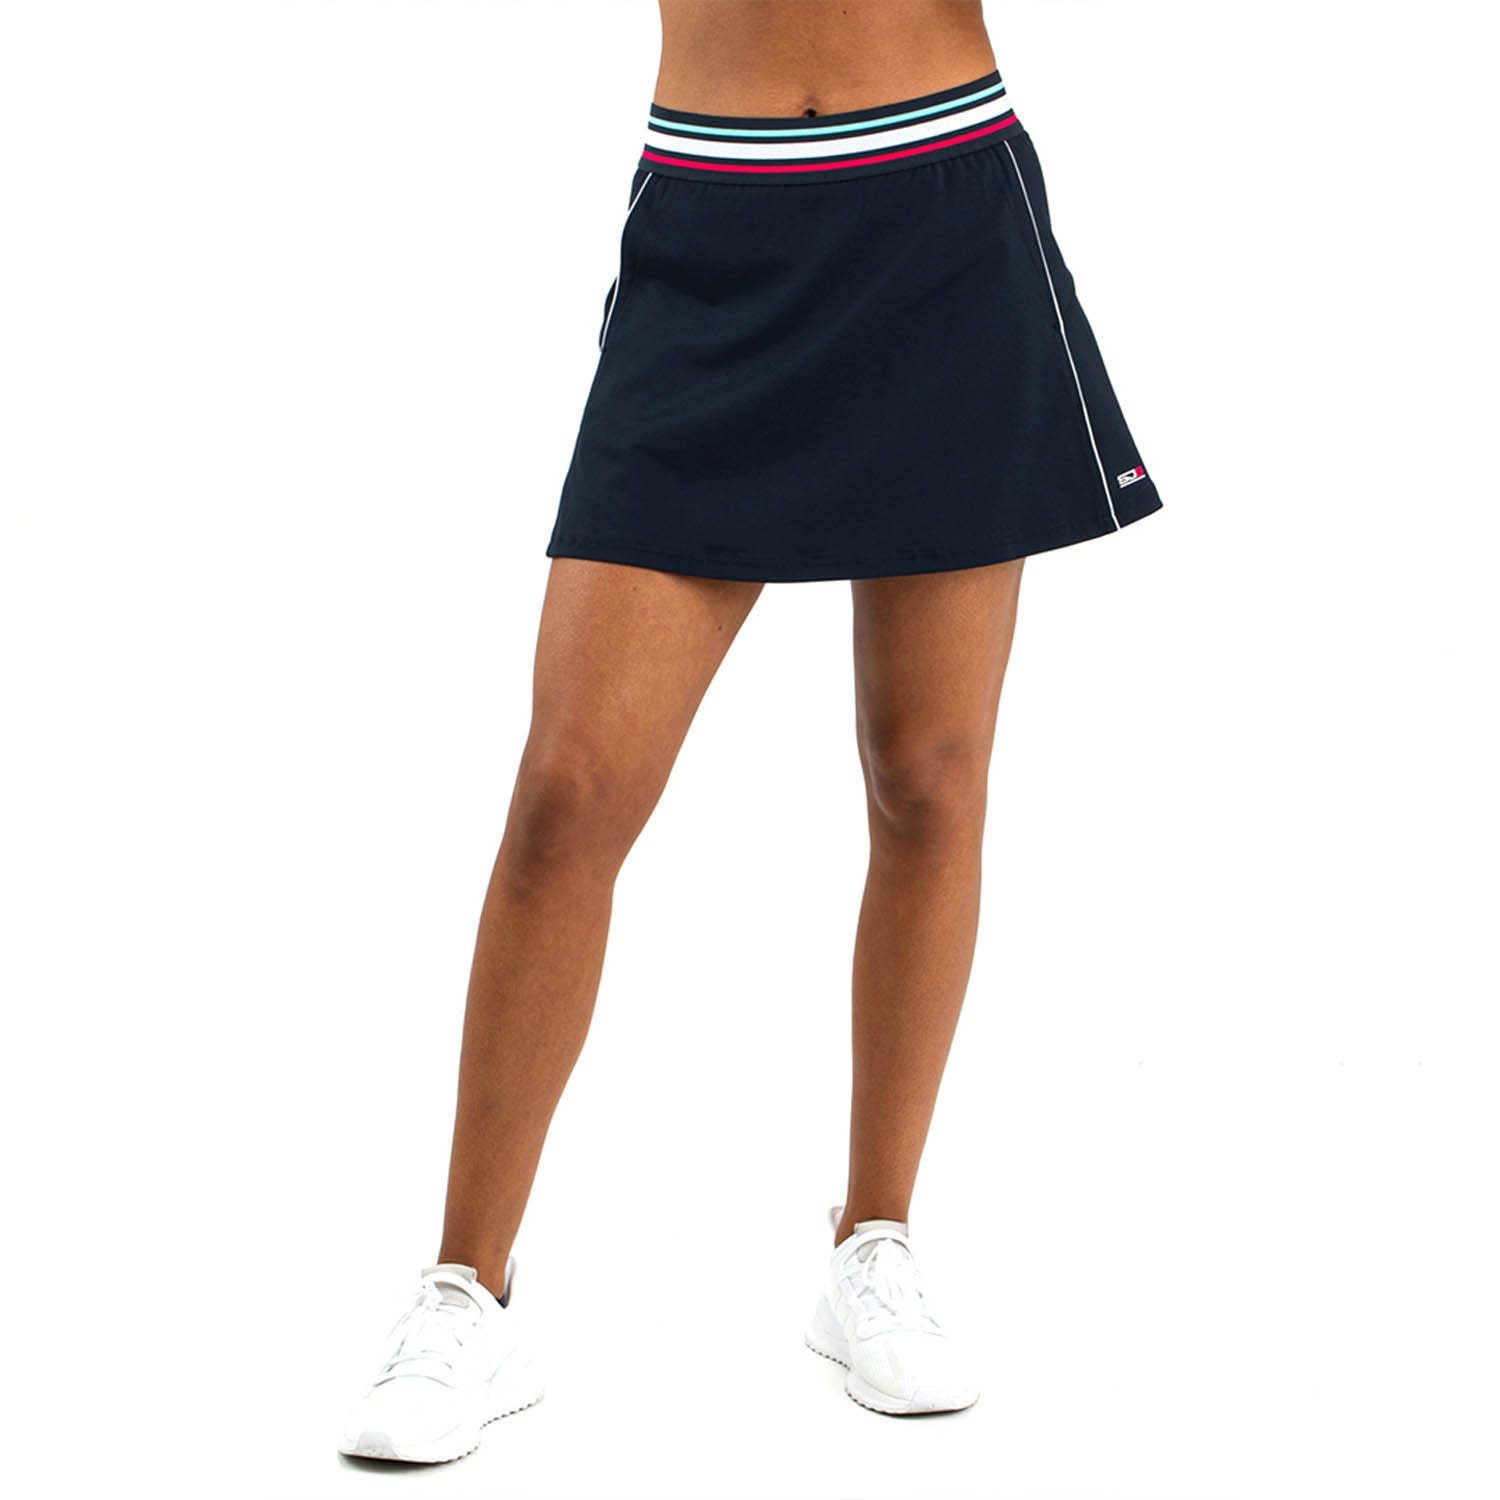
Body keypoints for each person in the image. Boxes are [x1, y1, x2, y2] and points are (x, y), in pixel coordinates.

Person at [339, 0, 1161, 1462]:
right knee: (570, 789)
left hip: (943, 214)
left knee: (928, 777)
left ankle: (874, 1242)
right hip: (716, 222)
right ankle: (467, 1287)